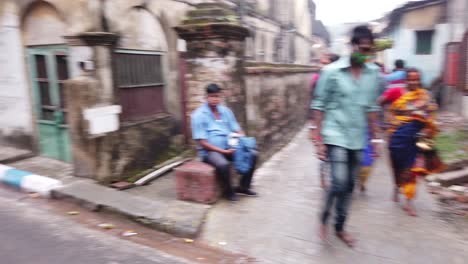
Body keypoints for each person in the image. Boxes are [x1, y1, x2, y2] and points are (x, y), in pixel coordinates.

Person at [311, 25, 381, 247]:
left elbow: (371, 108)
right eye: (361, 49)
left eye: (368, 50)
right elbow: (319, 105)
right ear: (352, 46)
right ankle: (324, 216)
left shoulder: (373, 74)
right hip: (335, 133)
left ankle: (340, 227)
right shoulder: (331, 72)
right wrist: (318, 140)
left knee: (350, 185)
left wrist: (376, 138)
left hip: (357, 136)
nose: (364, 54)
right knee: (339, 181)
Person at [387, 69, 444, 216]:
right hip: (398, 136)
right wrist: (391, 123)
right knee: (398, 164)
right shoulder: (398, 93)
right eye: (410, 79)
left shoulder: (425, 95)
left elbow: (431, 114)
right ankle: (397, 186)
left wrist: (429, 128)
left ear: (419, 80)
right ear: (406, 80)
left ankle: (408, 201)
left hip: (417, 136)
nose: (413, 82)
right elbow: (390, 110)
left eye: (416, 79)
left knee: (413, 169)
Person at [191, 84, 258, 202]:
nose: (214, 99)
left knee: (253, 154)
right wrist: (224, 151)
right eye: (211, 96)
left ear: (220, 97)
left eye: (217, 96)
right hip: (210, 151)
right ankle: (229, 191)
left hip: (229, 146)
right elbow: (202, 143)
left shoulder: (226, 111)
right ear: (206, 97)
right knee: (223, 164)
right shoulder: (198, 115)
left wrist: (241, 138)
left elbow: (237, 129)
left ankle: (243, 187)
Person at [309, 53, 340, 189]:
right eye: (321, 63)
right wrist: (313, 124)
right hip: (322, 119)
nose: (321, 66)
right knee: (323, 148)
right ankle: (324, 175)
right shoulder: (317, 78)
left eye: (325, 63)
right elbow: (313, 100)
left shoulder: (340, 79)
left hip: (337, 120)